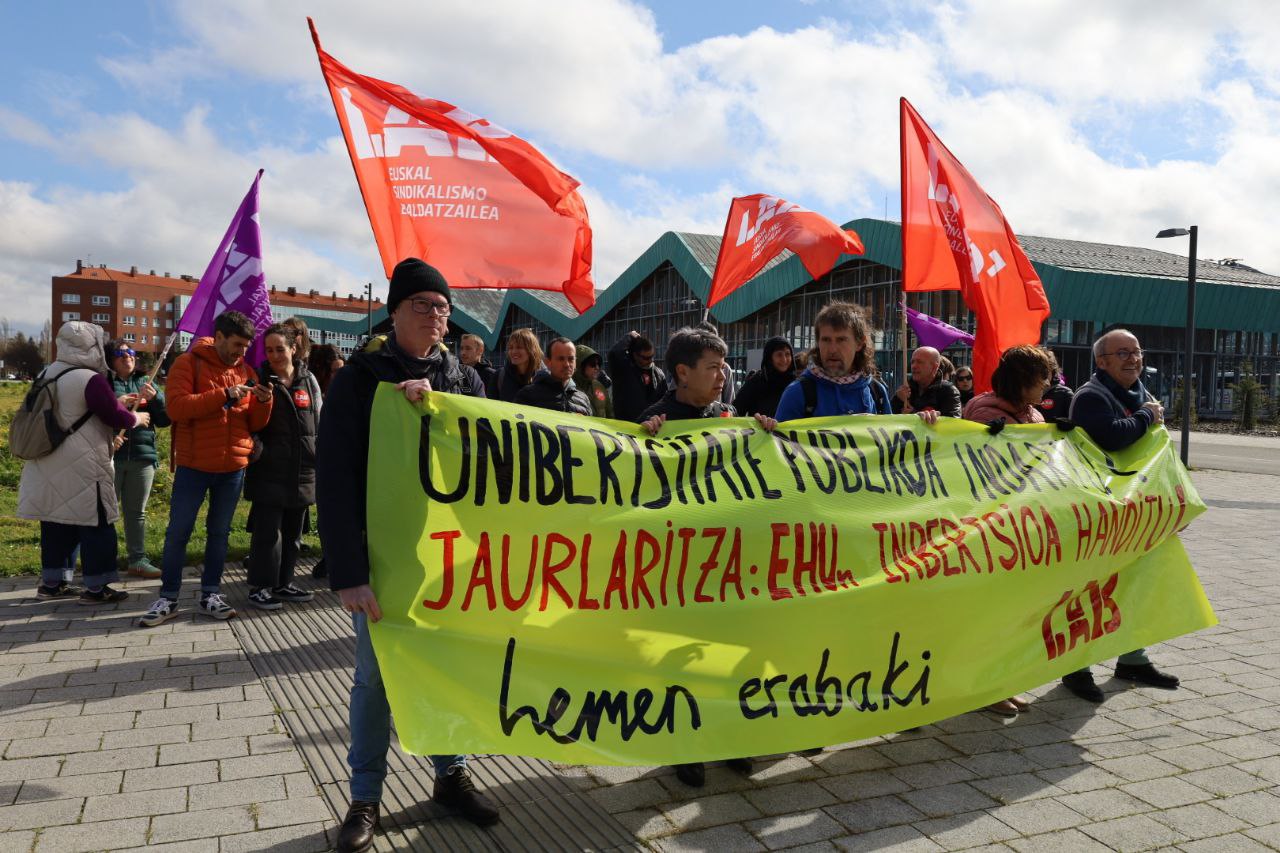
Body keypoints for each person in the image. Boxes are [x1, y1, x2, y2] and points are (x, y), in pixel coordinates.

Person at [316, 258, 496, 850]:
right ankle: (365, 796)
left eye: (443, 309)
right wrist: (349, 571)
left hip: (447, 557)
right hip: (385, 557)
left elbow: (491, 458)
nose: (437, 318)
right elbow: (336, 478)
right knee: (375, 680)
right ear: (394, 312)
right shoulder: (361, 378)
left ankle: (450, 774)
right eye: (424, 306)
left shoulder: (462, 377)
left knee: (444, 665)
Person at [637, 326, 776, 788]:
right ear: (682, 372)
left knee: (727, 654)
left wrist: (765, 438)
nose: (723, 375)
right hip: (679, 564)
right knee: (680, 658)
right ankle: (685, 744)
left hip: (727, 563)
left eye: (724, 366)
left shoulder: (730, 417)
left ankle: (728, 736)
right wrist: (641, 440)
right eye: (713, 367)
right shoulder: (657, 419)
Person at [1061, 328, 1179, 702]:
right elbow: (1111, 437)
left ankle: (1133, 659)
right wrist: (1147, 416)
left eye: (1137, 352)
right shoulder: (1091, 396)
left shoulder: (1138, 392)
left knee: (1135, 583)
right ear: (1102, 361)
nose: (1133, 359)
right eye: (1123, 353)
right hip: (1097, 511)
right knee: (1089, 589)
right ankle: (1074, 668)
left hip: (1134, 510)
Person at [138, 311, 273, 628]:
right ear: (220, 336)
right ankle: (168, 597)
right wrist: (223, 394)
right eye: (237, 344)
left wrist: (264, 403)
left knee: (219, 533)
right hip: (194, 465)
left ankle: (211, 593)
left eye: (245, 346)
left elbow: (253, 423)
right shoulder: (189, 363)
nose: (241, 352)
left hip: (232, 468)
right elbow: (177, 408)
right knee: (178, 533)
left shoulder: (246, 371)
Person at [19, 322, 148, 604]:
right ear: (92, 346)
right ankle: (97, 587)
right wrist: (136, 418)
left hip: (47, 459)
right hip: (83, 463)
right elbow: (114, 415)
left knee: (56, 521)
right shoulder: (89, 378)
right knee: (97, 522)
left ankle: (53, 583)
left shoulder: (47, 372)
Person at [961, 344, 1057, 717]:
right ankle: (984, 688)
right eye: (1042, 376)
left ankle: (1003, 682)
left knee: (1014, 613)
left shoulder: (1027, 412)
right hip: (991, 528)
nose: (1048, 384)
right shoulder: (987, 412)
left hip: (1018, 525)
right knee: (991, 614)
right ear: (1024, 379)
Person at [243, 324, 322, 611]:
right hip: (269, 468)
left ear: (293, 348)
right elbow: (248, 422)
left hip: (303, 469)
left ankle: (283, 583)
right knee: (268, 533)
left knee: (293, 533)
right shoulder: (258, 378)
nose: (274, 355)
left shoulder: (308, 379)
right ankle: (259, 587)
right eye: (269, 350)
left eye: (279, 348)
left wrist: (319, 453)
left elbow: (319, 417)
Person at [108, 339, 171, 579]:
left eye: (131, 353)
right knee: (107, 512)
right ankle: (104, 561)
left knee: (137, 513)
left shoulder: (147, 382)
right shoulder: (105, 383)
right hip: (112, 456)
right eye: (121, 354)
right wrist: (118, 405)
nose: (128, 357)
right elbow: (97, 416)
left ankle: (137, 560)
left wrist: (156, 399)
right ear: (110, 359)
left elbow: (165, 421)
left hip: (143, 457)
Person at [774, 302, 896, 422]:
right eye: (826, 340)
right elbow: (778, 441)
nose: (832, 349)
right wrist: (765, 428)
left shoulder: (876, 393)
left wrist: (914, 427)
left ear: (859, 343)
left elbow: (892, 440)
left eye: (841, 340)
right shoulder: (798, 393)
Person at [514, 337, 592, 414]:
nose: (567, 364)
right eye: (561, 359)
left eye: (571, 359)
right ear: (548, 362)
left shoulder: (583, 400)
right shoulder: (528, 395)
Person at [608, 331, 666, 421]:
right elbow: (614, 353)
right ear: (635, 355)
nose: (650, 360)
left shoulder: (659, 374)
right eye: (646, 358)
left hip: (653, 427)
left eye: (652, 356)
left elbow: (664, 401)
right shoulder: (624, 369)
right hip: (627, 426)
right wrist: (629, 337)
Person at [732, 336, 795, 417]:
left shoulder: (795, 383)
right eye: (779, 355)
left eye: (787, 354)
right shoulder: (756, 382)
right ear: (769, 358)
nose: (784, 359)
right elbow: (736, 411)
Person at [892, 346, 962, 418]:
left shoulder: (948, 391)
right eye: (912, 362)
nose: (914, 366)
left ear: (934, 367)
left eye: (919, 362)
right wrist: (897, 399)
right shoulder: (906, 388)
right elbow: (889, 419)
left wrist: (914, 415)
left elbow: (953, 422)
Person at [497, 327, 543, 402]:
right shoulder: (500, 376)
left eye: (519, 347)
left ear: (532, 350)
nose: (514, 351)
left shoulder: (545, 378)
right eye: (511, 348)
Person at [572, 344, 613, 418]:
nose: (597, 367)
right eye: (592, 364)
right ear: (580, 365)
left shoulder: (599, 386)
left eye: (598, 364)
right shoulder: (568, 388)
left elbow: (610, 414)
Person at [459, 333, 499, 399]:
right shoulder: (456, 373)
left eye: (468, 348)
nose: (463, 352)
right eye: (462, 348)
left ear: (480, 351)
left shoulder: (491, 375)